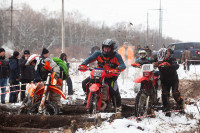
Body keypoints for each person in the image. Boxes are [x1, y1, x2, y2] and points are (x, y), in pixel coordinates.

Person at [81, 39, 126, 112]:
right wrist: (83, 64)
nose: (106, 50)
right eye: (105, 48)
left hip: (110, 76)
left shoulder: (116, 56)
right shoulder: (98, 53)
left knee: (113, 91)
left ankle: (118, 106)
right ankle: (88, 96)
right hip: (98, 74)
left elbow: (123, 65)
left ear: (112, 49)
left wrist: (117, 68)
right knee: (84, 83)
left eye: (108, 48)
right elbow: (90, 59)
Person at [157, 48, 184, 117]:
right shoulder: (158, 61)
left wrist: (169, 65)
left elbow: (176, 66)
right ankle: (166, 110)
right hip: (164, 81)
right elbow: (149, 61)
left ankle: (180, 105)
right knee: (165, 95)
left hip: (173, 80)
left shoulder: (172, 59)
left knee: (175, 93)